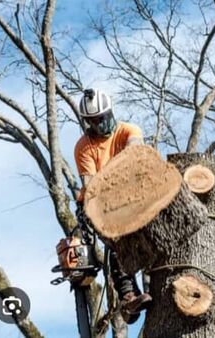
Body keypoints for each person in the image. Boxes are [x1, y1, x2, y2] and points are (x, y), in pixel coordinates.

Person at [74, 88, 152, 324]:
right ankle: (128, 295)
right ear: (87, 123)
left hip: (128, 195)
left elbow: (136, 152)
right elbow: (91, 185)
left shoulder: (128, 130)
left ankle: (150, 280)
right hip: (96, 202)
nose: (100, 125)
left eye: (102, 118)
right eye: (94, 122)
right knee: (116, 235)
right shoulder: (84, 147)